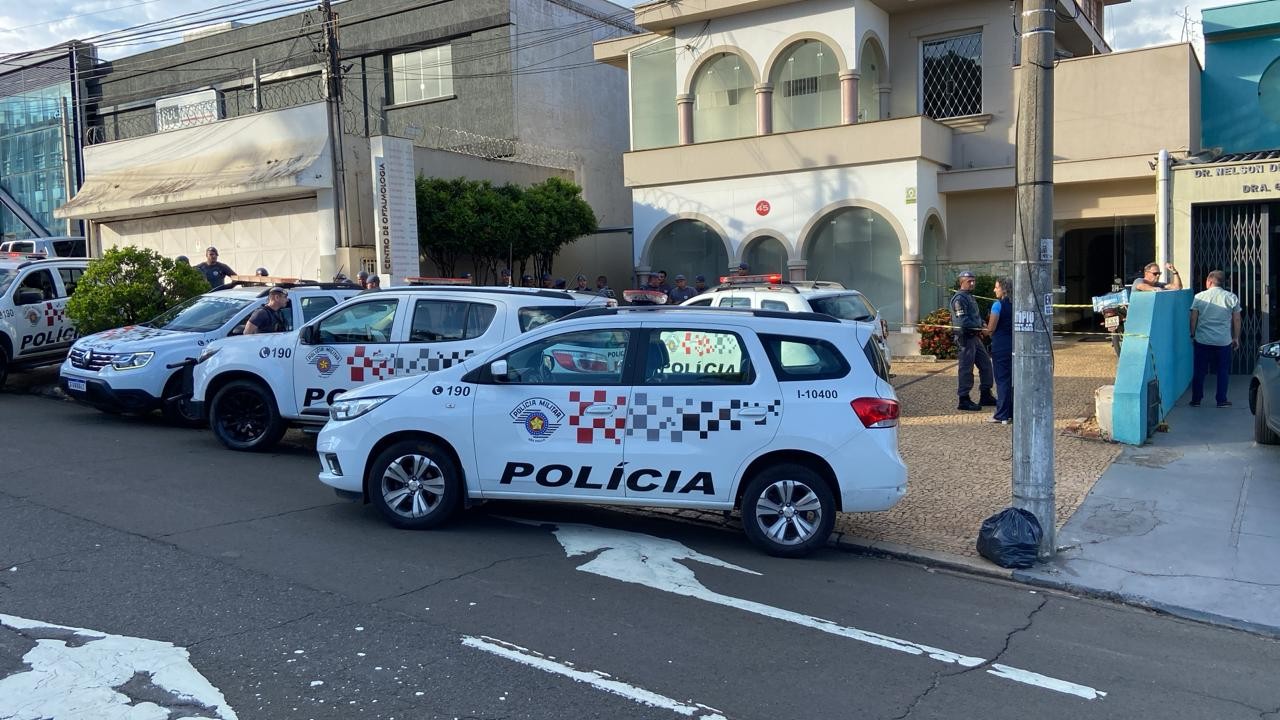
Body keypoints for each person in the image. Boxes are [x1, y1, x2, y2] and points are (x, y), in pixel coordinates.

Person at [1189, 270, 1242, 408]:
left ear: (1209, 281)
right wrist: (1236, 337)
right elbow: (1236, 319)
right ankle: (1221, 400)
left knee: (1199, 371)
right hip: (1223, 341)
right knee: (1222, 371)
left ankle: (1196, 400)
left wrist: (1192, 333)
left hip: (1202, 340)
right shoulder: (1231, 297)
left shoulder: (1199, 297)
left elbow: (1193, 317)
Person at [951, 271, 995, 411]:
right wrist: (979, 327)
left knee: (986, 365)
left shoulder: (970, 297)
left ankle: (985, 394)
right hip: (965, 337)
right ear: (962, 282)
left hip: (974, 336)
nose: (973, 283)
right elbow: (962, 320)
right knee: (966, 368)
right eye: (970, 281)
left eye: (973, 281)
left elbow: (975, 316)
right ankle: (963, 399)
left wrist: (982, 324)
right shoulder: (959, 299)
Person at [983, 277, 1014, 424]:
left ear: (1004, 289)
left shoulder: (997, 305)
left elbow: (991, 329)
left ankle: (1001, 414)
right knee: (1012, 380)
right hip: (1014, 346)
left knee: (1002, 380)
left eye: (997, 287)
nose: (994, 290)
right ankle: (1012, 411)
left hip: (1000, 346)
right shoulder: (1016, 304)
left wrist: (983, 329)